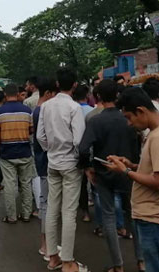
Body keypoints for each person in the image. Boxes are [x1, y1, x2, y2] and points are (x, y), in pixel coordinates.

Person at [105, 87, 159, 272]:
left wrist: (125, 172)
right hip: (157, 221)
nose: (129, 123)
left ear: (141, 111)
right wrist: (133, 166)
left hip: (158, 223)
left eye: (129, 117)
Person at [79, 79, 142, 272]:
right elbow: (137, 145)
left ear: (97, 97)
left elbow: (83, 149)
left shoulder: (94, 120)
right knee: (134, 216)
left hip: (104, 172)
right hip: (128, 171)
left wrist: (88, 168)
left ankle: (118, 265)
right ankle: (142, 261)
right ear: (117, 95)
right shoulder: (128, 119)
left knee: (108, 217)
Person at [37, 68, 88, 272]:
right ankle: (67, 261)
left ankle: (52, 257)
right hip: (70, 164)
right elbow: (78, 140)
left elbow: (40, 136)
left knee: (51, 209)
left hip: (53, 162)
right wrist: (74, 157)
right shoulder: (74, 108)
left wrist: (51, 150)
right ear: (74, 85)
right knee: (68, 212)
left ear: (57, 84)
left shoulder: (46, 106)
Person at [0, 83, 36, 225]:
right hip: (25, 152)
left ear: (5, 94)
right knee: (26, 184)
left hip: (7, 153)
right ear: (18, 94)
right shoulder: (26, 111)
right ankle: (26, 214)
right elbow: (31, 130)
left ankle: (11, 217)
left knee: (10, 185)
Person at [32, 77, 56, 260]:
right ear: (48, 93)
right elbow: (43, 138)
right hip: (47, 162)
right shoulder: (43, 111)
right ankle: (47, 246)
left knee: (46, 203)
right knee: (48, 205)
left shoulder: (37, 110)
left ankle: (46, 244)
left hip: (42, 162)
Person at [73, 84, 93, 223]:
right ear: (87, 96)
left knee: (80, 184)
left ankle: (84, 212)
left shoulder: (72, 111)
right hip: (93, 152)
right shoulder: (93, 111)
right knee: (94, 183)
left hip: (77, 152)